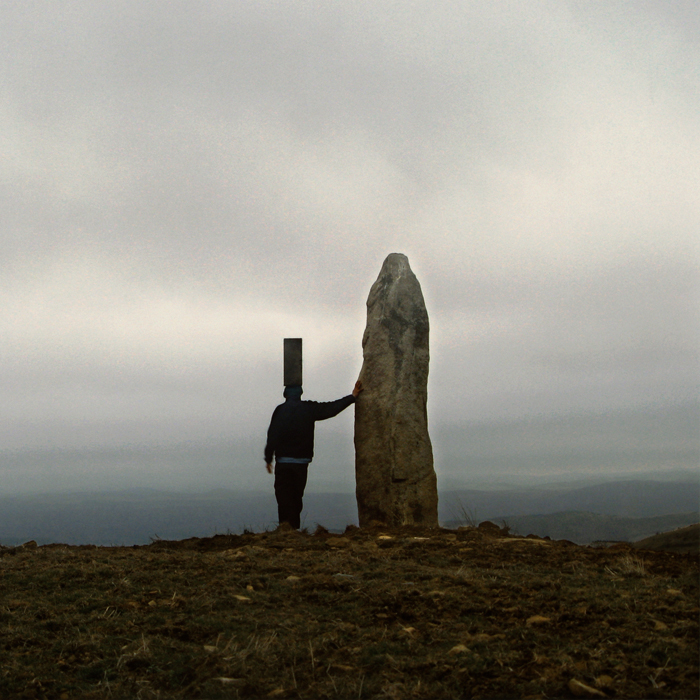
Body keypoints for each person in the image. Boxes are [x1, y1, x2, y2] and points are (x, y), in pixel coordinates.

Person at [265, 380, 363, 529]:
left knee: (283, 496)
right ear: (300, 393)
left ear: (285, 394)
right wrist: (352, 396)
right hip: (301, 463)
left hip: (283, 462)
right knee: (296, 496)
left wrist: (268, 458)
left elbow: (272, 435)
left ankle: (285, 529)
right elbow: (331, 409)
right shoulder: (308, 408)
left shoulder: (280, 410)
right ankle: (293, 528)